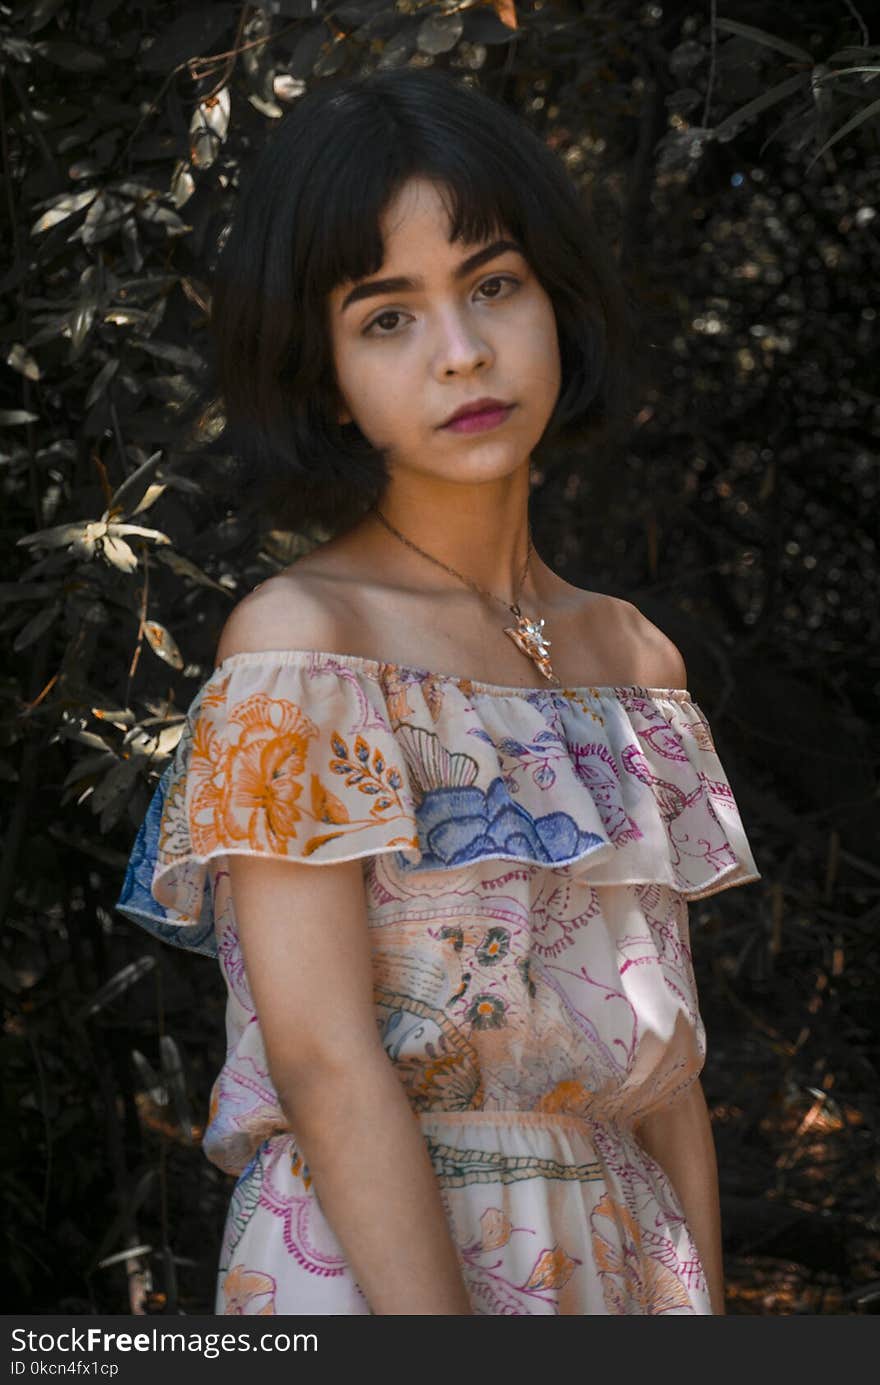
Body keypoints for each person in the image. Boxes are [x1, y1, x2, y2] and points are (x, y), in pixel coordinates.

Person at [116, 66, 761, 1316]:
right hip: (380, 1264)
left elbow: (667, 1075)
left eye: (493, 285)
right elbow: (323, 1058)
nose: (462, 350)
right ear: (325, 375)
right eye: (387, 315)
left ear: (552, 299)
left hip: (623, 1259)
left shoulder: (636, 663)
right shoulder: (302, 647)